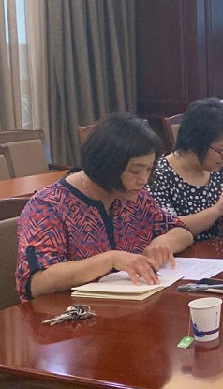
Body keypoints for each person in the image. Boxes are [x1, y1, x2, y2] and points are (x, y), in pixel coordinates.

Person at [15, 113, 194, 300]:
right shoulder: (49, 206)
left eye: (149, 169)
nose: (144, 179)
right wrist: (110, 259)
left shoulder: (135, 197)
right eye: (135, 171)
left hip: (128, 305)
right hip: (69, 311)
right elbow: (36, 283)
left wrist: (164, 242)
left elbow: (182, 231)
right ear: (106, 165)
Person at [149, 99, 223, 241]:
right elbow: (166, 228)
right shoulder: (158, 174)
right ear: (195, 143)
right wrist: (215, 211)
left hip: (216, 249)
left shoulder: (217, 167)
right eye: (222, 150)